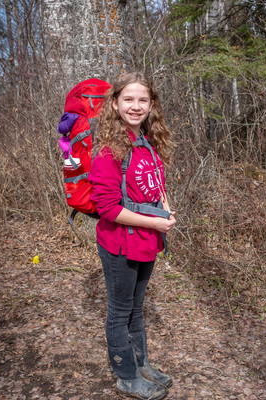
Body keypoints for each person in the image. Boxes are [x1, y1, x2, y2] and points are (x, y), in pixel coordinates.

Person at [89, 71, 176, 400]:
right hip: (119, 244)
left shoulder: (149, 144)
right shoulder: (109, 151)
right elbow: (109, 209)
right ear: (115, 103)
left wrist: (165, 210)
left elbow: (156, 185)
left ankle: (141, 364)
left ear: (151, 104)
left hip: (146, 241)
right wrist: (154, 224)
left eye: (142, 99)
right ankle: (126, 375)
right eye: (128, 99)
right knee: (120, 309)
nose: (136, 106)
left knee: (137, 308)